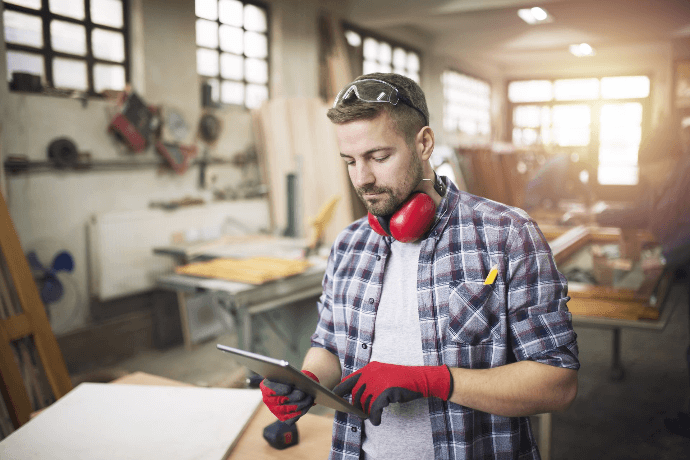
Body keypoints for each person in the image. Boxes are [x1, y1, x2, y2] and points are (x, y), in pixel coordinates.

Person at [260, 73, 580, 460]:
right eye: (350, 161)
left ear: (424, 143)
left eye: (379, 157)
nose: (362, 179)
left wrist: (430, 381)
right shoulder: (349, 244)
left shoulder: (506, 235)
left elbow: (557, 384)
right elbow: (328, 346)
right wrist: (307, 382)